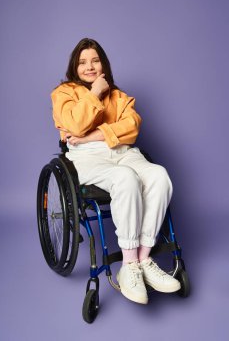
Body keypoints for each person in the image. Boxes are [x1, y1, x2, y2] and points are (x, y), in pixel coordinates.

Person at [51, 38, 181, 305]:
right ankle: (128, 265)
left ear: (104, 63)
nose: (89, 66)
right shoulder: (63, 93)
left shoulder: (119, 97)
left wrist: (90, 136)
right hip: (88, 159)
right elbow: (75, 124)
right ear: (75, 66)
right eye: (83, 62)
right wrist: (95, 93)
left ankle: (143, 258)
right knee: (125, 179)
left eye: (95, 60)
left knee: (159, 177)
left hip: (124, 153)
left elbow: (132, 129)